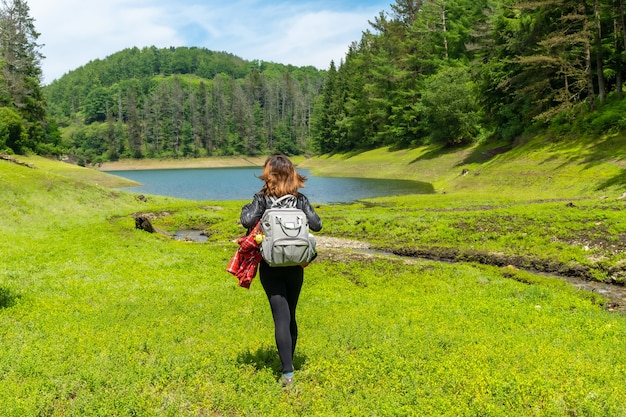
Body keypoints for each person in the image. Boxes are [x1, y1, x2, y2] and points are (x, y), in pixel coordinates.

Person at [240, 154, 322, 386]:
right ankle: (289, 364)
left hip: (271, 264)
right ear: (292, 175)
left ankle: (287, 374)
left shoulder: (262, 198)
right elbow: (317, 224)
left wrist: (254, 203)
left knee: (280, 318)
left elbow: (246, 220)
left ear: (269, 175)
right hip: (296, 265)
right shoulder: (300, 199)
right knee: (291, 315)